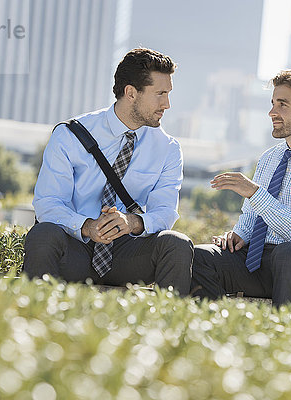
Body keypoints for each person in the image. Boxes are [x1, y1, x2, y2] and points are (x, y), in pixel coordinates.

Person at [23, 48, 193, 295]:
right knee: (43, 234)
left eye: (168, 94)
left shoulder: (168, 149)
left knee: (177, 245)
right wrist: (88, 227)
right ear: (131, 93)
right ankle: (30, 322)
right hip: (76, 246)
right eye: (160, 94)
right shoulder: (69, 135)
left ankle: (164, 330)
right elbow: (48, 203)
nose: (167, 104)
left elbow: (165, 211)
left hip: (128, 252)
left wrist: (132, 223)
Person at [190, 69, 291, 309]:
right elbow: (251, 217)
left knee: (289, 254)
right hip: (260, 262)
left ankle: (282, 337)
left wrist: (256, 193)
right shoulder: (269, 158)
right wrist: (237, 236)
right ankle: (219, 332)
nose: (272, 112)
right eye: (273, 103)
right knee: (200, 257)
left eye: (282, 104)